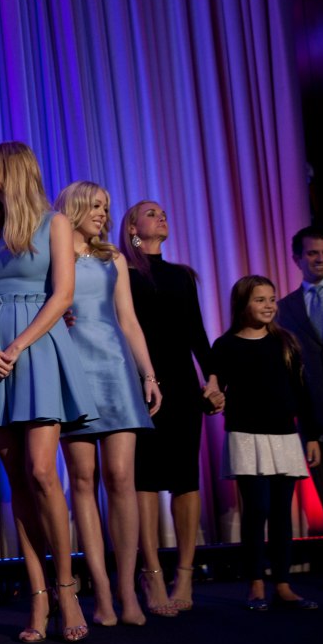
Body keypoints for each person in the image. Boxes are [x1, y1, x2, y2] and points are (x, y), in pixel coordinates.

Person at [0, 142, 95, 643]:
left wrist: (16, 344)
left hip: (36, 349)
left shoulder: (55, 224)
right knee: (17, 478)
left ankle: (66, 587)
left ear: (12, 171)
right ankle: (37, 595)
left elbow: (62, 295)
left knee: (42, 472)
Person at [54, 182, 160, 627]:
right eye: (96, 206)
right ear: (75, 207)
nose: (103, 214)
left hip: (115, 370)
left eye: (107, 208)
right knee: (82, 480)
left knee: (121, 477)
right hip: (71, 371)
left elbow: (129, 320)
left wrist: (149, 374)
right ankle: (99, 591)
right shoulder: (54, 255)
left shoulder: (113, 258)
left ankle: (127, 589)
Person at [119, 201, 223, 615]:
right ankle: (152, 573)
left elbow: (197, 332)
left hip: (181, 386)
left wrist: (213, 379)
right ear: (132, 227)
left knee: (184, 477)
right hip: (139, 384)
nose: (161, 216)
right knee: (144, 479)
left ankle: (185, 572)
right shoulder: (123, 273)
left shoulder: (182, 276)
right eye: (150, 212)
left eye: (164, 211)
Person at [212, 276, 320, 611]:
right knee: (257, 509)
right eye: (260, 300)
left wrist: (312, 435)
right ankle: (255, 582)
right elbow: (216, 389)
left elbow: (302, 392)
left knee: (281, 514)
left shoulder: (286, 342)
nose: (270, 305)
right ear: (243, 304)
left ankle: (283, 584)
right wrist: (212, 398)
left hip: (284, 437)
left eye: (272, 299)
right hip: (246, 436)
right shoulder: (226, 345)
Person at [276, 226, 323, 590]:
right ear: (297, 258)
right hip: (318, 415)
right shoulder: (285, 307)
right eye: (312, 254)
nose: (320, 259)